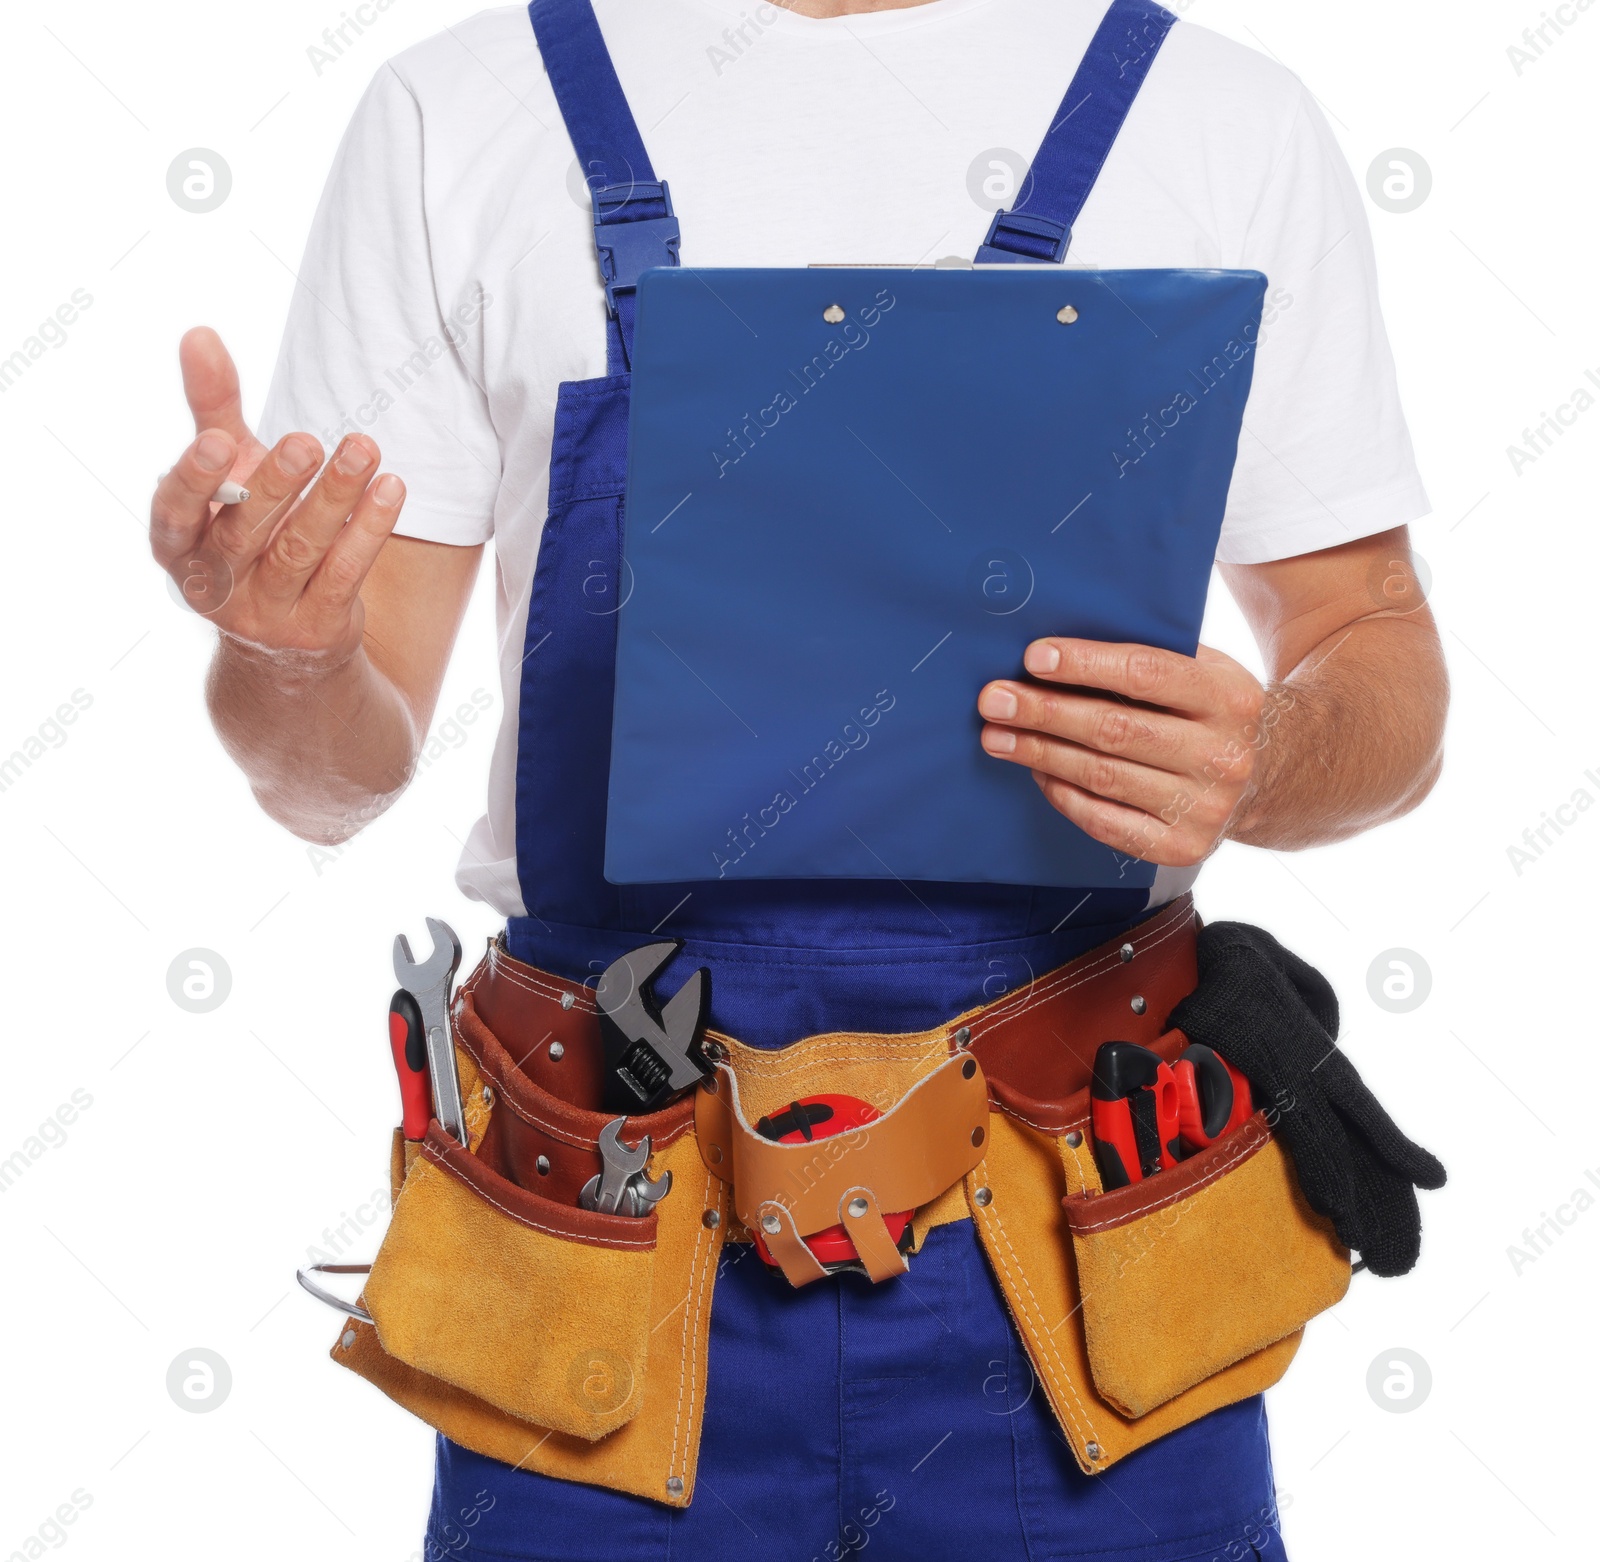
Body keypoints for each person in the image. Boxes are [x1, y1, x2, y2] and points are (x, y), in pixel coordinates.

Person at [148, 1, 1447, 1556]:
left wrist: (1268, 758)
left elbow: (1377, 651)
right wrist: (287, 652)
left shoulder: (1219, 115)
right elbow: (330, 777)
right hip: (600, 1253)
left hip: (1081, 1251)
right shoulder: (459, 113)